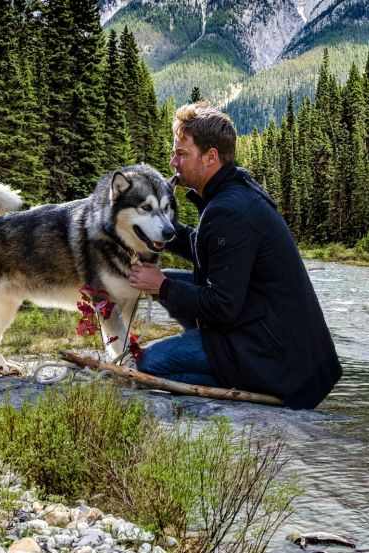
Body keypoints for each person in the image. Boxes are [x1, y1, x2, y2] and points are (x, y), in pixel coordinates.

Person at [128, 101, 341, 409]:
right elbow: (206, 248)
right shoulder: (233, 191)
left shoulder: (229, 210)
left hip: (271, 354)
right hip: (264, 330)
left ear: (210, 157)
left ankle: (239, 384)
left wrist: (161, 286)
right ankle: (213, 357)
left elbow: (223, 306)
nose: (173, 162)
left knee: (148, 363)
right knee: (165, 284)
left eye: (182, 154)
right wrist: (158, 228)